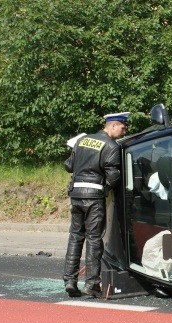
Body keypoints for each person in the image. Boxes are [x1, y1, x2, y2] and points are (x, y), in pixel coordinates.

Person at [63, 111, 130, 297]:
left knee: (75, 236)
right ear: (113, 126)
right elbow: (113, 176)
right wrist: (106, 188)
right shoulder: (111, 146)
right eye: (123, 128)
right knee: (94, 239)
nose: (124, 132)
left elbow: (68, 165)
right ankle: (91, 284)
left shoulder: (82, 141)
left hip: (76, 195)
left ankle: (69, 280)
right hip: (94, 198)